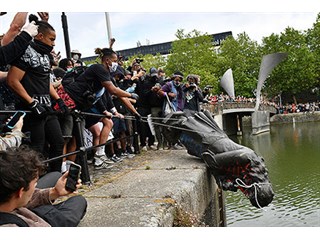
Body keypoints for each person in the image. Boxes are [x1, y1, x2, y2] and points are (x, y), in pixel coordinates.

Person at [6, 14, 68, 172]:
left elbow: (45, 80)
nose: (53, 44)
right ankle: (34, 188)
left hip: (47, 108)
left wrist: (59, 100)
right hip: (32, 110)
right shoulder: (25, 51)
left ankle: (54, 181)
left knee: (58, 143)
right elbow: (13, 80)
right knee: (37, 149)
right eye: (51, 39)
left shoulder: (46, 55)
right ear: (40, 36)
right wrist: (31, 102)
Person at [0, 146, 87, 227]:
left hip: (27, 212)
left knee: (55, 175)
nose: (36, 185)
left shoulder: (9, 200)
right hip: (42, 220)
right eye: (34, 183)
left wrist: (54, 192)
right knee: (79, 201)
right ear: (20, 192)